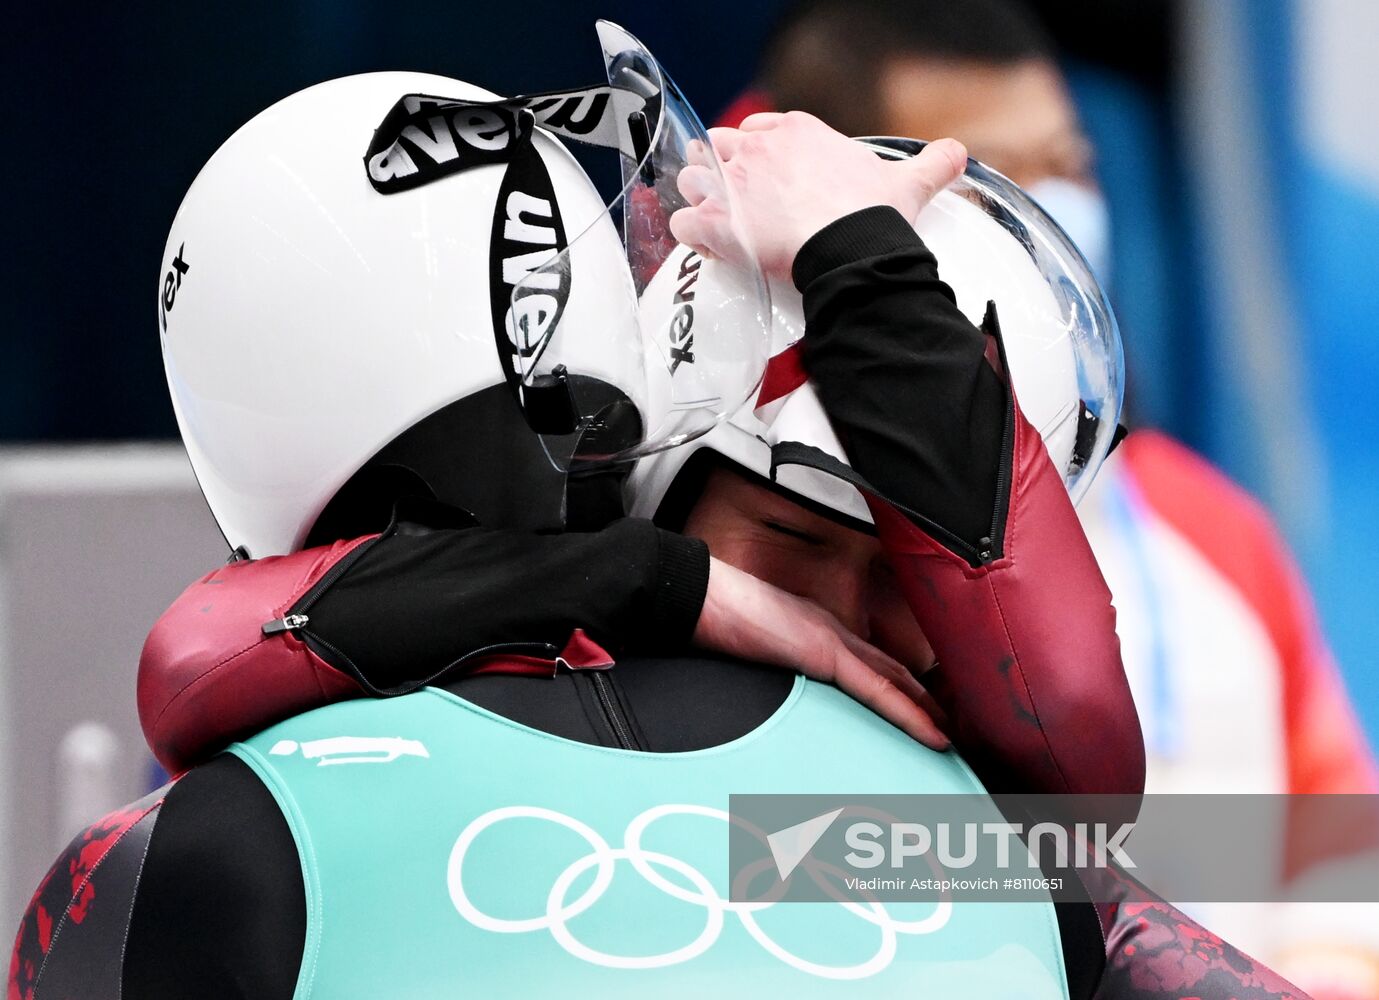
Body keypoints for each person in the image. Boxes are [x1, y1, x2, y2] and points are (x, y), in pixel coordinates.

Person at [10, 34, 1305, 999]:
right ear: (644, 473)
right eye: (794, 545)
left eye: (913, 574)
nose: (848, 632)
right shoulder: (992, 866)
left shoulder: (978, 847)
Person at [721, 0, 1379, 992]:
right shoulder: (746, 508)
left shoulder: (1208, 525)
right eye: (985, 176)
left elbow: (1340, 838)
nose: (1051, 207)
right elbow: (755, 853)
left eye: (1067, 164)